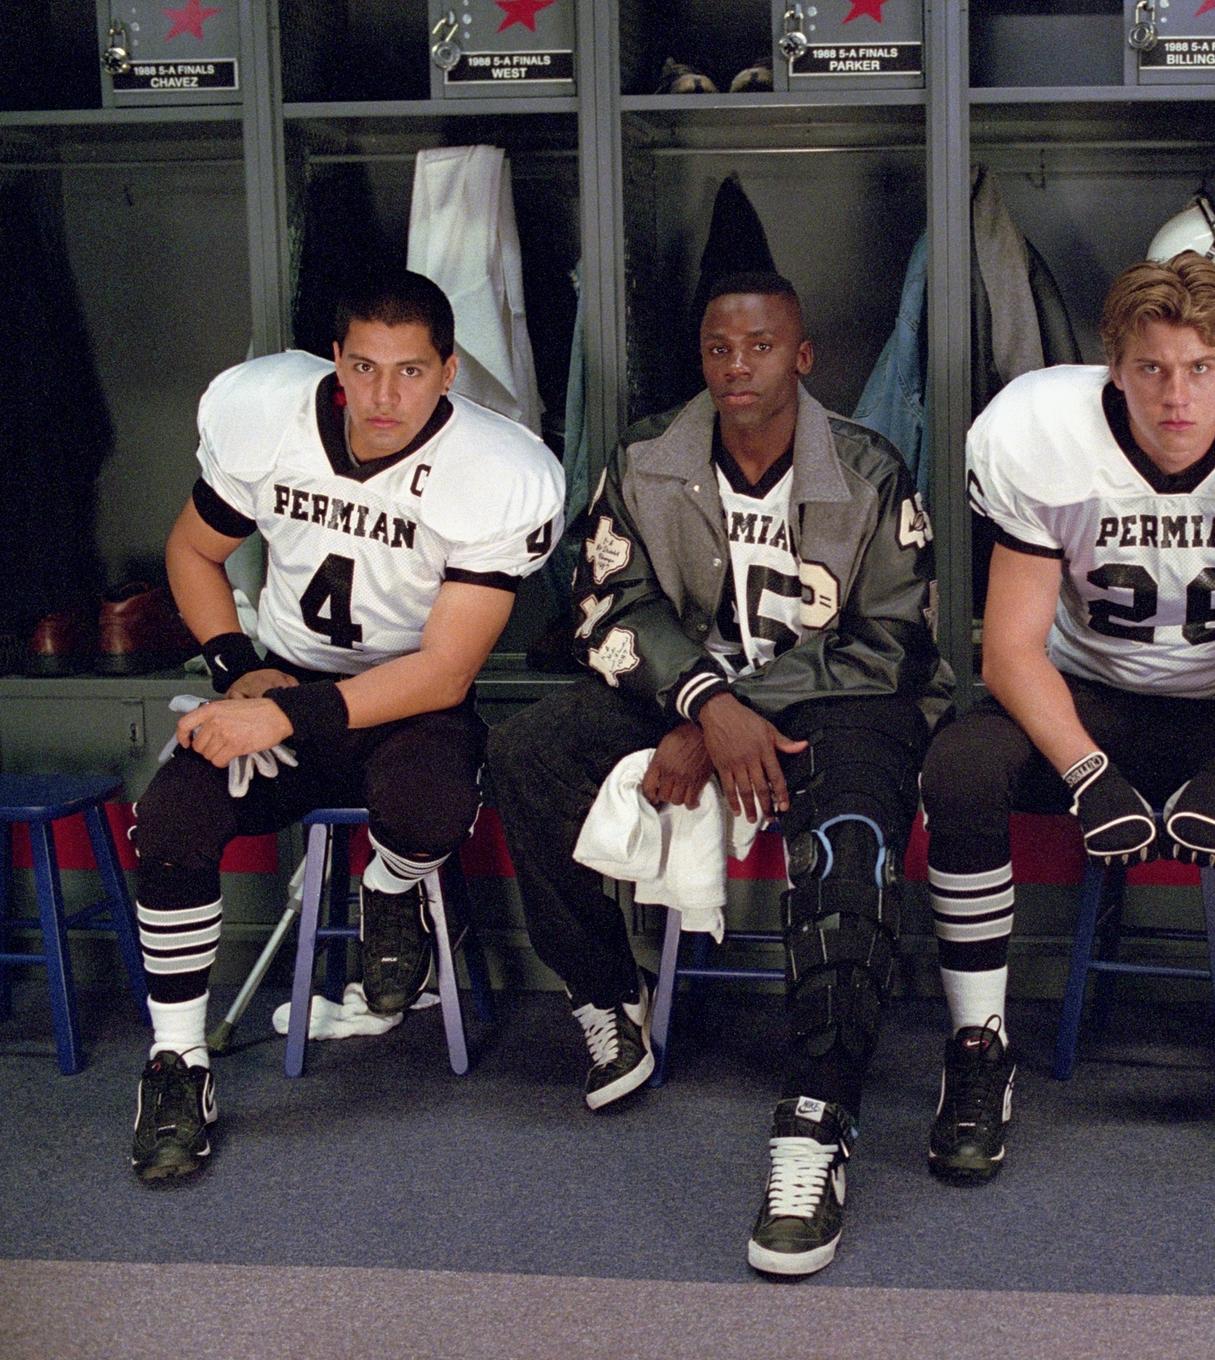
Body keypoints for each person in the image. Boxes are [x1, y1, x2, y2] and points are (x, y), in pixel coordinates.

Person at [485, 273, 950, 1277]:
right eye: (717, 350)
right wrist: (703, 704)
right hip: (687, 692)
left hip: (837, 698)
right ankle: (606, 998)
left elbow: (893, 645)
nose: (737, 368)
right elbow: (603, 605)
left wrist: (745, 707)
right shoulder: (650, 457)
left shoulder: (869, 469)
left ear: (801, 355)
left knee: (850, 834)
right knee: (526, 754)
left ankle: (817, 1120)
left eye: (760, 347)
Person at [920, 253, 1215, 1197]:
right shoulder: (1045, 436)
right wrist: (1085, 772)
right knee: (961, 769)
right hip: (1090, 692)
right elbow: (1011, 650)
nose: (1176, 394)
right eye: (1152, 368)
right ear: (1116, 368)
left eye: (1199, 368)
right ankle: (977, 1048)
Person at [130, 269, 565, 1182]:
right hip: (283, 686)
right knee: (171, 814)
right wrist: (237, 671)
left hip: (410, 705)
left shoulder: (498, 467)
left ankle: (394, 888)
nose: (382, 396)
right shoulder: (268, 413)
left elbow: (445, 669)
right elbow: (193, 550)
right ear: (334, 361)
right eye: (363, 367)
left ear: (450, 371)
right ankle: (178, 1063)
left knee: (428, 805)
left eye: (409, 372)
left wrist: (280, 713)